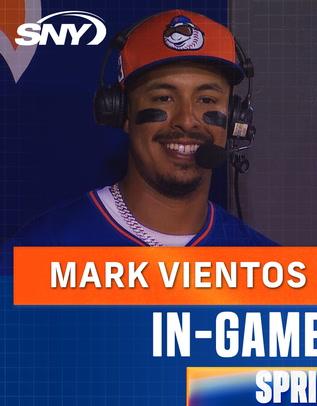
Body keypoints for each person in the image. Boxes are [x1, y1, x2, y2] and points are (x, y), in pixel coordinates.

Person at [8, 9, 274, 248]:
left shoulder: (263, 268)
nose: (187, 119)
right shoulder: (43, 250)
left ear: (236, 118)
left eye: (207, 100)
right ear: (122, 113)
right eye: (163, 98)